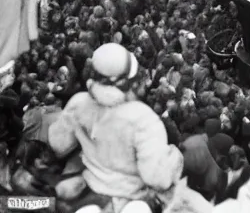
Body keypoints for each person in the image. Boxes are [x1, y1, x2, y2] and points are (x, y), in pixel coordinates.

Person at [48, 43, 183, 212]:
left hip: (90, 189)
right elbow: (157, 178)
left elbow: (58, 144)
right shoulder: (144, 119)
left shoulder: (78, 102)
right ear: (129, 82)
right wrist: (174, 157)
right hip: (130, 198)